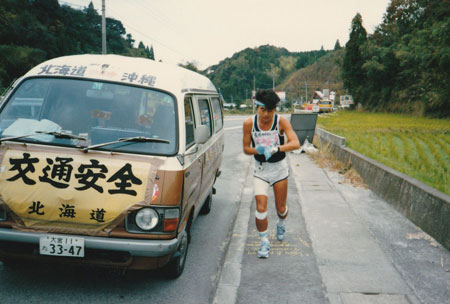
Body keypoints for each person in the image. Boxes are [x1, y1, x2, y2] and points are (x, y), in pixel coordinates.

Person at [242, 89, 300, 258]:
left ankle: (281, 223)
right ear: (256, 107)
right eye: (262, 109)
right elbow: (246, 149)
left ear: (275, 110)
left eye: (270, 110)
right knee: (260, 208)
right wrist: (256, 150)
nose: (266, 114)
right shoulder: (249, 124)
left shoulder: (281, 122)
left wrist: (277, 148)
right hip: (260, 170)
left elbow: (295, 143)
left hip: (279, 170)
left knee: (281, 208)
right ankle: (264, 242)